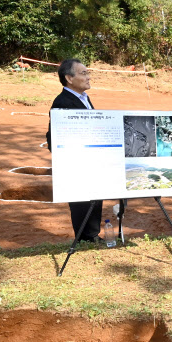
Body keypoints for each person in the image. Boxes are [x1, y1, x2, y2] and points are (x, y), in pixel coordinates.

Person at [46, 59, 102, 242]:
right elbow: (53, 136)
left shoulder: (84, 98)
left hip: (93, 159)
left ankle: (93, 235)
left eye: (87, 72)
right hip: (77, 161)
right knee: (81, 200)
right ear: (69, 78)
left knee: (95, 196)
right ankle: (84, 238)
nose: (88, 77)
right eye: (83, 73)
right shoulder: (62, 102)